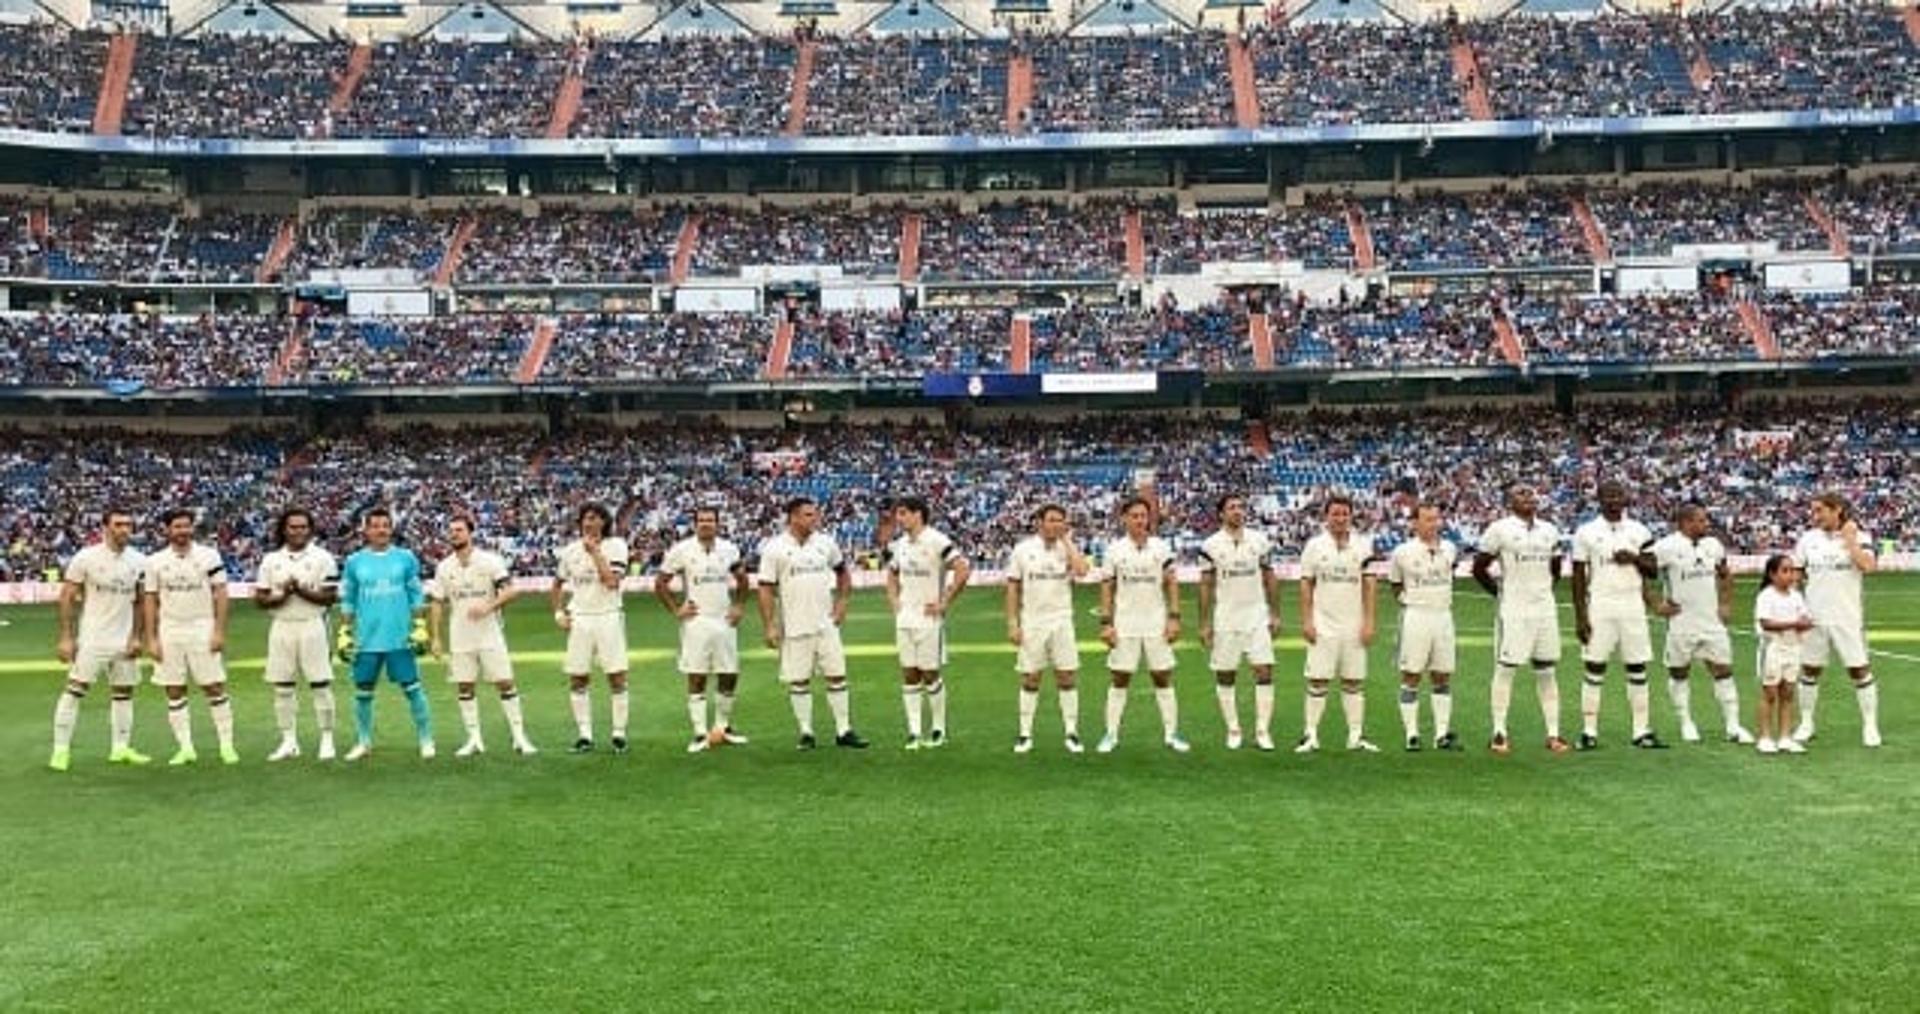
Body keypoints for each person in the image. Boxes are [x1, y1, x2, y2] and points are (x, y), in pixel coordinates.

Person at [757, 497, 869, 750]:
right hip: (795, 625)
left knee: (837, 675)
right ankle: (806, 732)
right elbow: (765, 589)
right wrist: (770, 625)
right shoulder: (774, 549)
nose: (814, 519)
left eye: (814, 514)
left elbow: (842, 573)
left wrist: (842, 603)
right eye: (808, 515)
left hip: (826, 623)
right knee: (799, 680)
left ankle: (844, 730)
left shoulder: (826, 543)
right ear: (793, 517)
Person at [1473, 483, 1572, 755]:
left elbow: (1554, 567)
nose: (1528, 497)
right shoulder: (1500, 529)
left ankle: (1553, 734)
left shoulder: (1550, 530)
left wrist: (1542, 592)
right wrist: (1499, 592)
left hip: (1544, 609)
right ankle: (1499, 732)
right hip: (1514, 610)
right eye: (1520, 493)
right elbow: (1479, 567)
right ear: (1509, 502)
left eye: (1530, 492)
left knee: (1547, 670)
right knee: (1506, 668)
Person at [49, 508, 149, 771]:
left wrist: (138, 637)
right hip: (93, 637)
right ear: (105, 527)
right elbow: (67, 597)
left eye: (128, 524)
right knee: (75, 690)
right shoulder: (86, 558)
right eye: (118, 524)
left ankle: (121, 747)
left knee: (124, 693)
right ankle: (60, 751)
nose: (124, 529)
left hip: (124, 639)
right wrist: (66, 637)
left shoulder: (139, 560)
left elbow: (141, 601)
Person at [429, 515, 534, 757]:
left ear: (470, 533)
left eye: (459, 530)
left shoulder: (489, 561)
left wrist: (488, 607)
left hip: (489, 633)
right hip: (460, 635)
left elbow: (510, 591)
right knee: (464, 686)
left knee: (505, 682)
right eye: (451, 530)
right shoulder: (444, 567)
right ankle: (474, 739)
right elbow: (436, 602)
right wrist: (435, 637)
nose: (454, 534)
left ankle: (519, 737)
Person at [1571, 480, 1665, 750]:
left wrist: (1634, 558)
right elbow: (1578, 576)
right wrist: (1580, 616)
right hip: (1600, 603)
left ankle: (1641, 731)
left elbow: (1653, 569)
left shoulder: (1639, 530)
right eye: (1608, 495)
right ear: (1599, 499)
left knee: (1637, 666)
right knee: (1594, 665)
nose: (1614, 500)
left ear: (1626, 498)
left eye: (1618, 495)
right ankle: (1589, 732)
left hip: (1632, 603)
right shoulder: (1586, 532)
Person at [142, 508, 237, 766]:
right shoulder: (154, 561)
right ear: (167, 530)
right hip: (170, 629)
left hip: (202, 626)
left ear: (192, 528)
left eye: (186, 526)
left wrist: (218, 630)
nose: (182, 531)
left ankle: (226, 745)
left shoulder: (209, 555)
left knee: (214, 685)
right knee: (173, 689)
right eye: (177, 526)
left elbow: (221, 593)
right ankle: (185, 748)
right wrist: (151, 638)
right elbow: (149, 599)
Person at [1650, 503, 1753, 744]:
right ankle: (1686, 722)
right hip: (1681, 622)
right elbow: (1640, 573)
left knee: (1723, 670)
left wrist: (1726, 603)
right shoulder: (1665, 547)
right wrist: (1655, 604)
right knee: (1679, 672)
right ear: (1686, 523)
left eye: (1705, 520)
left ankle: (1733, 726)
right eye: (1701, 520)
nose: (1706, 524)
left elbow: (1725, 574)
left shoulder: (1713, 545)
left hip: (1711, 621)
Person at [337, 507, 434, 761]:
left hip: (399, 637)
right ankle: (364, 742)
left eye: (385, 525)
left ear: (391, 529)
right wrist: (345, 631)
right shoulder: (354, 561)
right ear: (366, 530)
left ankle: (426, 739)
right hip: (366, 639)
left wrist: (420, 626)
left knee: (412, 688)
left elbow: (416, 595)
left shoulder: (405, 558)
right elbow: (348, 599)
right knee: (363, 692)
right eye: (376, 525)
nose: (381, 530)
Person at [655, 506, 751, 753]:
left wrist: (739, 605)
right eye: (702, 521)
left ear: (718, 524)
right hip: (696, 621)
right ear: (695, 524)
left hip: (724, 620)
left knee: (729, 673)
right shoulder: (682, 550)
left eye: (711, 520)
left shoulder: (729, 549)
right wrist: (676, 610)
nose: (706, 524)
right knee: (696, 675)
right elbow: (660, 582)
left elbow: (742, 580)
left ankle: (722, 727)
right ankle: (699, 732)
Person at [1097, 496, 1188, 754]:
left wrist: (1174, 617)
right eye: (1134, 516)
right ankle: (1111, 734)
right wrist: (1106, 623)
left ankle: (1172, 734)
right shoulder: (1114, 550)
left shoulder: (1161, 547)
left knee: (1162, 676)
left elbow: (1171, 582)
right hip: (1125, 623)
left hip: (1156, 623)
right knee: (1120, 677)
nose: (1140, 520)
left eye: (1143, 515)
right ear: (1124, 518)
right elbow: (1107, 586)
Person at [1791, 492, 1880, 747]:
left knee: (1859, 670)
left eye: (1820, 510)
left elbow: (1868, 566)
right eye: (1814, 510)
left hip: (1847, 617)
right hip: (1814, 617)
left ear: (1837, 509)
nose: (1815, 515)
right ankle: (1807, 723)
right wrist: (1795, 605)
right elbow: (1796, 574)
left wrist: (1850, 541)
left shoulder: (1861, 536)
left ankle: (1870, 725)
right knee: (1809, 670)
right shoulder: (1808, 540)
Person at [254, 507, 340, 762]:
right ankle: (289, 740)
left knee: (321, 685)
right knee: (282, 687)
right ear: (284, 529)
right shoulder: (271, 560)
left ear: (310, 529)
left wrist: (299, 590)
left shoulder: (323, 557)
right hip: (281, 626)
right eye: (293, 527)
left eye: (303, 527)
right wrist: (282, 596)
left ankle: (327, 739)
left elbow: (330, 596)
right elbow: (261, 599)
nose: (298, 531)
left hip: (312, 624)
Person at [1197, 493, 1281, 752]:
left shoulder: (1259, 541)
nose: (1237, 511)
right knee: (1226, 673)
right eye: (1231, 507)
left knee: (1264, 671)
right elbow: (1206, 585)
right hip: (1226, 617)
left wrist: (1275, 613)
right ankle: (1233, 729)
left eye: (1240, 507)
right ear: (1221, 514)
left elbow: (1270, 577)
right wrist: (1204, 622)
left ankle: (1262, 731)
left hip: (1256, 614)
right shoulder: (1210, 545)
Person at [885, 496, 970, 750]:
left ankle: (938, 729)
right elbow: (891, 573)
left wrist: (944, 602)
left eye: (902, 513)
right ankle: (913, 732)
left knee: (930, 674)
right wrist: (894, 602)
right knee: (909, 674)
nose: (898, 519)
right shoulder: (899, 545)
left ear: (917, 514)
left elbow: (962, 568)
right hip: (905, 619)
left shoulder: (937, 540)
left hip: (929, 619)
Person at [1006, 504, 1091, 754]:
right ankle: (1024, 734)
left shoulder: (1067, 549)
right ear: (1039, 522)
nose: (1057, 524)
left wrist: (1068, 540)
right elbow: (1012, 587)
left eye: (1061, 521)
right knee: (1030, 677)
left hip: (1062, 620)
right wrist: (1013, 623)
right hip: (1032, 621)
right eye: (1052, 520)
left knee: (1066, 676)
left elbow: (1082, 571)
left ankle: (1072, 732)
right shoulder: (1022, 550)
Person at [1297, 495, 1378, 753]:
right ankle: (1310, 735)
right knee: (1318, 680)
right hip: (1323, 623)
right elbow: (1306, 583)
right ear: (1327, 516)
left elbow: (1370, 584)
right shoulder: (1314, 546)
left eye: (1345, 514)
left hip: (1353, 624)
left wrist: (1369, 622)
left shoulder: (1363, 545)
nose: (1341, 518)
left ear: (1351, 516)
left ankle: (1355, 736)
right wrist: (1308, 620)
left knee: (1353, 681)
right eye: (1335, 514)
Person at [551, 503, 631, 754]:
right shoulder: (570, 551)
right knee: (578, 677)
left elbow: (611, 582)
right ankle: (584, 735)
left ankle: (619, 734)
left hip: (608, 616)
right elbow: (557, 584)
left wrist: (595, 552)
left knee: (616, 676)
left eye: (594, 518)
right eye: (585, 518)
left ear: (604, 522)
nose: (588, 523)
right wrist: (558, 612)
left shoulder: (616, 546)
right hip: (580, 618)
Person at [1388, 502, 1458, 751]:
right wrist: (1409, 602)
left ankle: (1441, 735)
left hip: (1443, 615)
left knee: (1442, 674)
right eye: (1427, 519)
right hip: (1416, 615)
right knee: (1411, 674)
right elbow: (1395, 584)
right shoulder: (1402, 552)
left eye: (1436, 519)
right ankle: (1412, 734)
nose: (1433, 524)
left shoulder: (1450, 548)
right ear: (1415, 523)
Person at [1753, 555, 1813, 755]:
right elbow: (1766, 623)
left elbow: (1804, 615)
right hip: (1773, 647)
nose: (1791, 575)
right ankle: (1765, 736)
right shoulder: (1766, 596)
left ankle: (1785, 736)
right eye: (1785, 571)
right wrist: (1795, 624)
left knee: (1788, 692)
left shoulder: (1796, 596)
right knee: (1769, 693)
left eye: (1792, 571)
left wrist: (1805, 623)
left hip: (1793, 647)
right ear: (1772, 574)